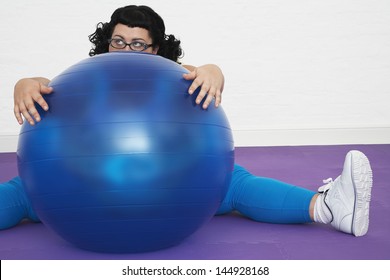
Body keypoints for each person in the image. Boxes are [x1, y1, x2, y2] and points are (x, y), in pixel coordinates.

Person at [1, 5, 373, 238]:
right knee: (22, 193)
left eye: (137, 43)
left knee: (233, 184)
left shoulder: (175, 75)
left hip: (181, 182)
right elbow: (39, 86)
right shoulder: (80, 79)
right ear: (106, 43)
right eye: (118, 41)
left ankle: (328, 207)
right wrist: (23, 84)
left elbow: (206, 73)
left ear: (156, 48)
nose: (125, 48)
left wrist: (213, 71)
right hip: (66, 185)